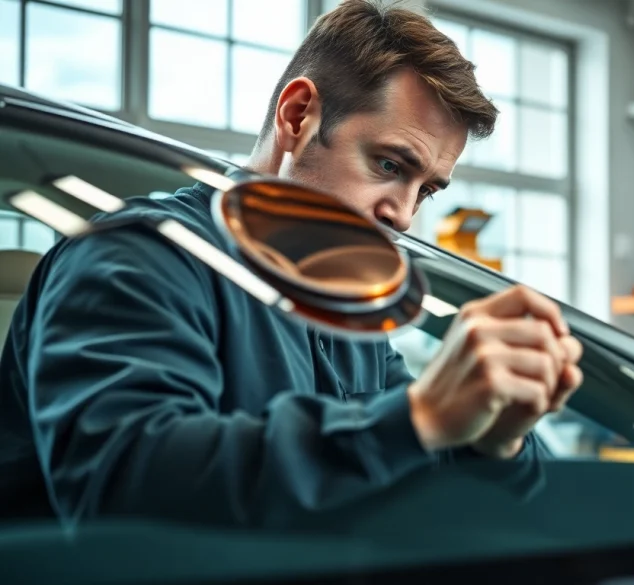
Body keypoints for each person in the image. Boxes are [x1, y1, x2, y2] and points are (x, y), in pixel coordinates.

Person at [0, 0, 582, 527]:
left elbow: (412, 467)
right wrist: (420, 417)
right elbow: (124, 487)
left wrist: (497, 438)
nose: (403, 215)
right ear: (298, 116)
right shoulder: (135, 257)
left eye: (425, 190)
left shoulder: (340, 301)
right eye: (388, 165)